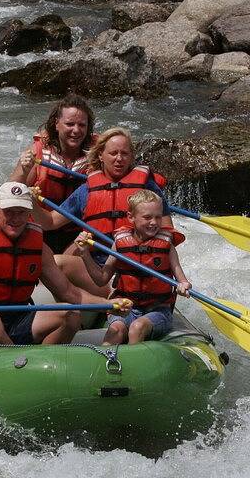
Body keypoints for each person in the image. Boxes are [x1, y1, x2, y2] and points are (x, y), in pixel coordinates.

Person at [0, 182, 130, 345]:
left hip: (17, 317)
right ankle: (20, 364)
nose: (15, 218)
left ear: (29, 212)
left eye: (21, 212)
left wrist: (109, 305)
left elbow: (71, 293)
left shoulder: (37, 245)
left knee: (70, 312)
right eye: (9, 211)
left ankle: (45, 363)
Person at [31, 127, 174, 294]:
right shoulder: (87, 190)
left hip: (138, 267)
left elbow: (167, 231)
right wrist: (32, 203)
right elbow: (50, 221)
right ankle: (85, 302)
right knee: (59, 262)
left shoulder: (147, 188)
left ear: (131, 157)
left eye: (125, 154)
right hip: (99, 269)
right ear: (101, 155)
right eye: (113, 153)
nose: (119, 159)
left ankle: (118, 298)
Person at [73, 190, 191, 344]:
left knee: (137, 327)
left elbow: (182, 280)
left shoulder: (167, 246)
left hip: (157, 310)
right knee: (116, 329)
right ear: (131, 217)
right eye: (147, 217)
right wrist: (84, 254)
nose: (154, 222)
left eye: (158, 217)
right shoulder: (120, 243)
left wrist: (183, 286)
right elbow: (101, 279)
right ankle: (103, 361)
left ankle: (133, 365)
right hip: (126, 307)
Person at [10, 96, 96, 253]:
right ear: (57, 124)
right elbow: (11, 190)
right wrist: (23, 168)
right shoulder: (38, 152)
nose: (76, 130)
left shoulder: (98, 155)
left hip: (81, 232)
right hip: (41, 225)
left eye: (82, 125)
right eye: (70, 124)